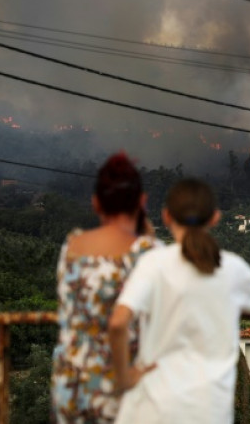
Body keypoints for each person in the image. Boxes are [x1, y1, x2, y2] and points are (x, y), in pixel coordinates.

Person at [109, 178, 250, 424]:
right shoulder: (234, 269)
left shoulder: (153, 265)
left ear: (167, 216)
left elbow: (118, 323)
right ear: (214, 217)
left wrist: (124, 377)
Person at [51, 152, 161, 423]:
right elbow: (118, 324)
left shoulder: (71, 247)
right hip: (115, 394)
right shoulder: (149, 251)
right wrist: (126, 378)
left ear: (96, 203)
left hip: (70, 389)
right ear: (142, 201)